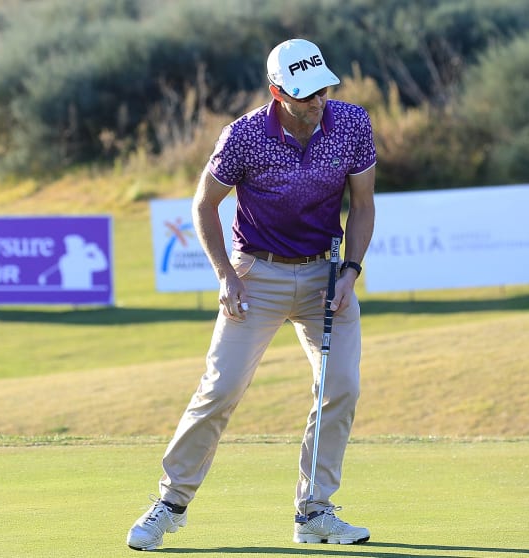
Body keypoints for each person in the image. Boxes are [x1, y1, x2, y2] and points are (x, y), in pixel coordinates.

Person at [127, 38, 377, 551]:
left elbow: (364, 204)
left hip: (327, 278)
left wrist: (351, 271)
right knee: (219, 391)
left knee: (341, 387)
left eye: (322, 90)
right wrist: (226, 275)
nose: (317, 102)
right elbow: (203, 206)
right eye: (305, 94)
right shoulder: (243, 137)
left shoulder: (351, 123)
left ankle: (315, 512)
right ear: (277, 91)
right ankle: (169, 504)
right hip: (255, 276)